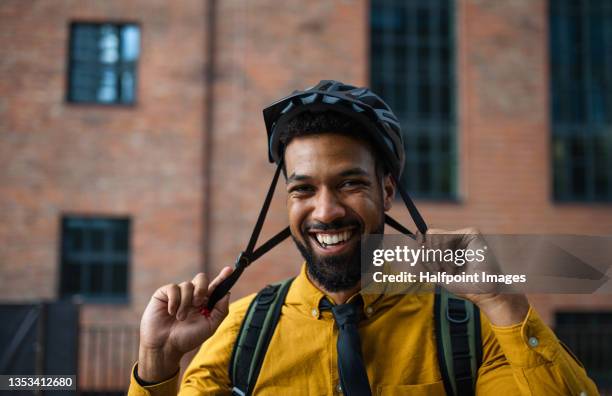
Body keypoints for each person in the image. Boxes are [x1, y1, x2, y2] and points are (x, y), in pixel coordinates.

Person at [128, 81, 598, 395]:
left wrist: (505, 303)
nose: (326, 211)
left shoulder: (470, 331)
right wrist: (157, 361)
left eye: (350, 184)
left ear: (387, 191)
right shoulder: (240, 336)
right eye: (304, 189)